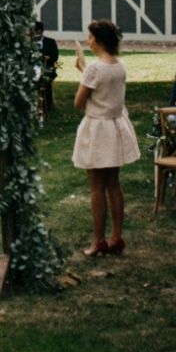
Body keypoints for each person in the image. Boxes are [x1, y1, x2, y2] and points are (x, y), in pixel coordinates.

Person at [73, 19, 141, 257]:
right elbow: (105, 87)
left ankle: (98, 240)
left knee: (96, 188)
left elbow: (79, 102)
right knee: (114, 185)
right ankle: (116, 237)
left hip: (98, 129)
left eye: (90, 37)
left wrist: (83, 72)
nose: (87, 41)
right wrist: (84, 71)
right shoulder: (119, 66)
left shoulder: (94, 68)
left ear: (99, 40)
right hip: (115, 126)